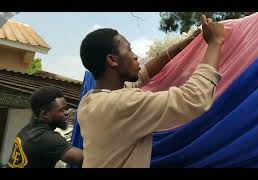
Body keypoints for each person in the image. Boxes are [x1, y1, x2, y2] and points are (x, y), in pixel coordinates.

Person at [78, 14, 224, 168]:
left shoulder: (90, 101)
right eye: (129, 50)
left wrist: (179, 47)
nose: (136, 56)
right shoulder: (122, 104)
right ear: (112, 60)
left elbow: (143, 74)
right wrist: (215, 42)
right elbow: (193, 99)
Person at [7, 86, 83, 168]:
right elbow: (85, 159)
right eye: (62, 110)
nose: (67, 113)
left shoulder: (27, 130)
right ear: (45, 114)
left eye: (66, 108)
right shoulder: (46, 138)